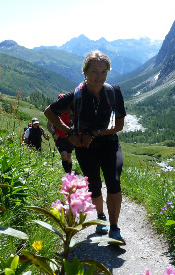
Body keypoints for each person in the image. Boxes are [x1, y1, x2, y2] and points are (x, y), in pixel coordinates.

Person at [44, 50, 126, 245]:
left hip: (108, 143)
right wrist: (69, 133)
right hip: (84, 146)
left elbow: (119, 126)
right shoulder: (76, 96)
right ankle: (100, 218)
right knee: (95, 185)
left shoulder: (114, 92)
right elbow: (49, 112)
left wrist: (94, 134)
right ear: (85, 72)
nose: (99, 76)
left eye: (104, 72)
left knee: (114, 181)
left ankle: (114, 229)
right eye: (95, 71)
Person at [47, 109, 74, 173]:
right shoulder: (55, 112)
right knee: (64, 154)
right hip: (59, 137)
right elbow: (48, 126)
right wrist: (53, 134)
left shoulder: (70, 112)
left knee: (69, 156)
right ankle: (68, 173)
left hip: (69, 136)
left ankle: (69, 172)